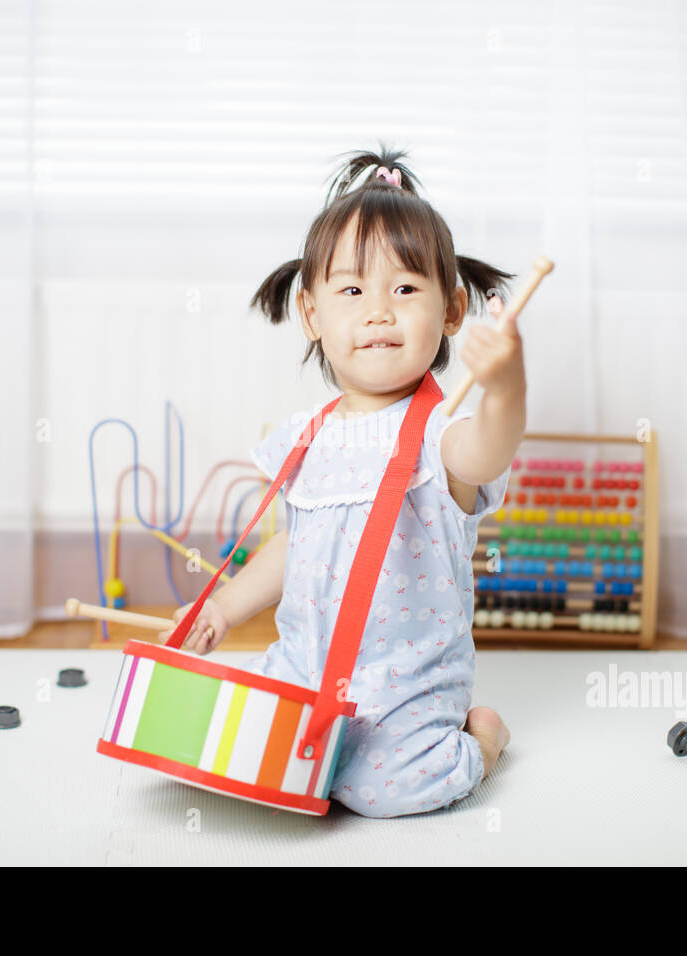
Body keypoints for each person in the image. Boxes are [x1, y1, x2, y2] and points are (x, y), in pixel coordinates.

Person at [172, 144, 526, 817]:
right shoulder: (309, 435)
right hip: (306, 666)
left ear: (451, 311)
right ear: (311, 314)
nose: (378, 311)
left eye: (405, 289)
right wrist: (222, 608)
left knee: (388, 794)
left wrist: (507, 386)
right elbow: (294, 547)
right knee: (240, 757)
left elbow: (488, 451)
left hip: (403, 687)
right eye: (353, 290)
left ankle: (481, 743)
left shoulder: (438, 432)